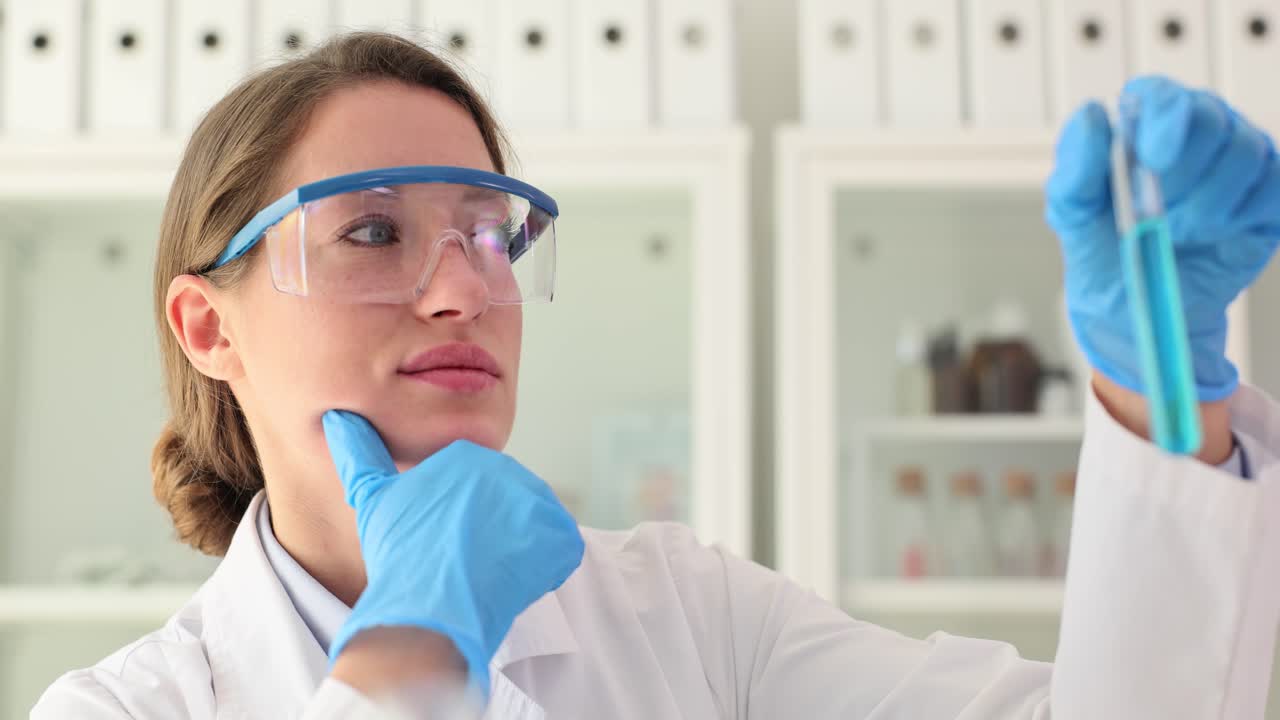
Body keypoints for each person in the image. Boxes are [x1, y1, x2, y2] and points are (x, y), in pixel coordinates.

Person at [30, 32, 1280, 719]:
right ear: (208, 328)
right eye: (370, 231)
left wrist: (1160, 397)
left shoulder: (683, 616)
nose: (463, 288)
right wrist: (412, 648)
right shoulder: (123, 710)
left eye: (488, 233)